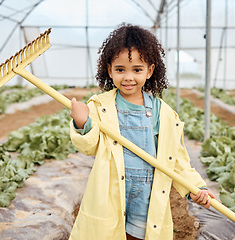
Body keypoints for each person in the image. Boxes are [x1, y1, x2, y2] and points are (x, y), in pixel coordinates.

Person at [68, 23, 215, 240]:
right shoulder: (100, 105)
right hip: (112, 188)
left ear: (150, 71)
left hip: (146, 194)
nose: (128, 77)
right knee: (109, 233)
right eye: (120, 70)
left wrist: (195, 187)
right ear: (109, 69)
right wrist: (83, 124)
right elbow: (90, 147)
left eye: (137, 70)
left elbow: (176, 158)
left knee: (137, 235)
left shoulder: (162, 112)